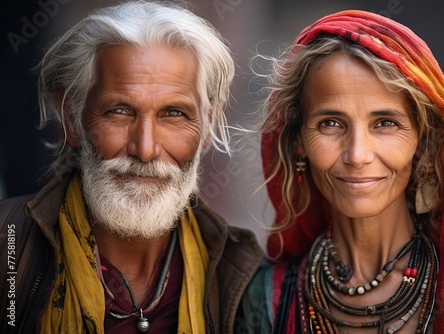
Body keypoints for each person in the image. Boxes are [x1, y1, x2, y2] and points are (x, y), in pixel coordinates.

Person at [0, 1, 263, 333]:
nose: (146, 149)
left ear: (208, 125)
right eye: (119, 111)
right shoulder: (7, 249)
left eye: (173, 114)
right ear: (72, 118)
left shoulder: (241, 274)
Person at [236, 10, 444, 334]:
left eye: (385, 124)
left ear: (422, 140)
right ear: (297, 141)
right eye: (330, 123)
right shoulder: (261, 301)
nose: (357, 155)